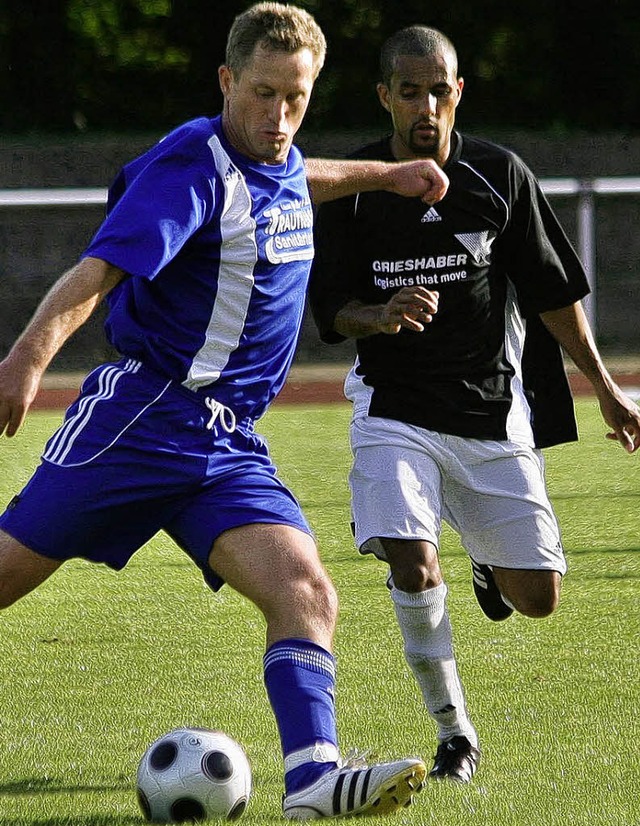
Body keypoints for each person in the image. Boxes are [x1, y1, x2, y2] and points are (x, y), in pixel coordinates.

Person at [0, 6, 450, 821]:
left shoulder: (273, 154)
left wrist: (384, 176)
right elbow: (99, 270)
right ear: (226, 82)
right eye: (263, 95)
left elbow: (298, 173)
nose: (280, 118)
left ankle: (313, 778)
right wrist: (27, 360)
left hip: (227, 444)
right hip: (144, 420)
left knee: (306, 590)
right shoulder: (192, 168)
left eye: (297, 98)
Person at [309, 24, 640, 785]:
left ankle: (491, 562)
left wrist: (608, 390)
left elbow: (553, 294)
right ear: (385, 96)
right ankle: (455, 732)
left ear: (457, 93)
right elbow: (330, 310)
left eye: (439, 90)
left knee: (538, 600)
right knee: (412, 562)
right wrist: (378, 313)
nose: (426, 106)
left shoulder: (500, 176)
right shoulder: (355, 192)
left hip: (492, 409)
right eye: (409, 91)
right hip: (392, 407)